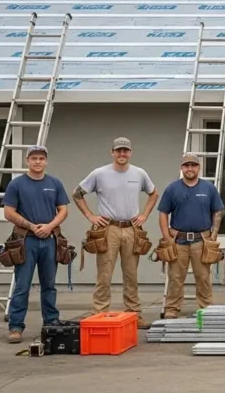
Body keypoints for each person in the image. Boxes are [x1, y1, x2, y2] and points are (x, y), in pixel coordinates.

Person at [72, 137, 158, 328]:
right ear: (112, 152)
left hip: (131, 229)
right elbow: (77, 194)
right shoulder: (99, 174)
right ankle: (99, 313)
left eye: (125, 151)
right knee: (104, 274)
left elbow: (154, 193)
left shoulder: (139, 173)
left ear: (130, 153)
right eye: (118, 151)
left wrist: (144, 214)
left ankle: (134, 313)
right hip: (108, 229)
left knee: (131, 275)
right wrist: (90, 216)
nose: (122, 154)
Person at [3, 145, 70, 344]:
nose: (38, 161)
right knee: (22, 285)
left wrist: (49, 227)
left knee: (49, 285)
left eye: (41, 158)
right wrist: (32, 226)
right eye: (34, 158)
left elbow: (63, 210)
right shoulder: (17, 184)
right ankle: (16, 326)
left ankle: (51, 321)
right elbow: (8, 212)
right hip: (26, 242)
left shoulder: (54, 183)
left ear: (46, 161)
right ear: (27, 161)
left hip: (49, 241)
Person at [157, 153, 225, 318]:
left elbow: (218, 211)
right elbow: (163, 213)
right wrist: (167, 238)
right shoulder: (173, 188)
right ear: (182, 168)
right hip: (178, 241)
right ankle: (172, 309)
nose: (190, 168)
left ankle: (206, 308)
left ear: (198, 168)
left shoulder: (208, 188)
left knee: (203, 277)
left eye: (193, 165)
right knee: (175, 277)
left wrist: (213, 237)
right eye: (186, 165)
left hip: (201, 241)